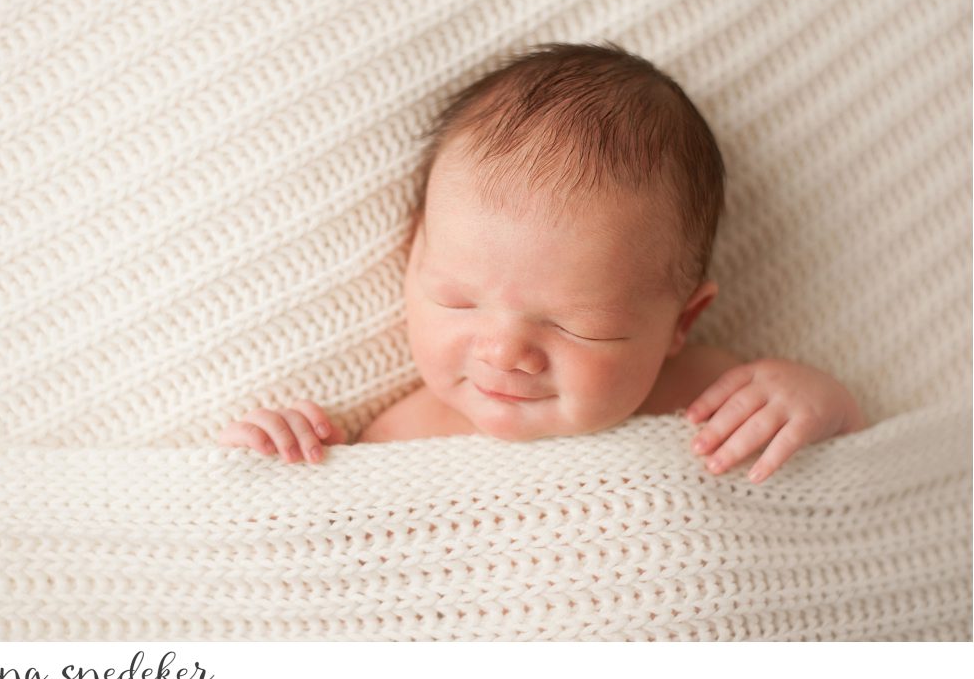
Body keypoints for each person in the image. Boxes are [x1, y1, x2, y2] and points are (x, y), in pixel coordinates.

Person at [218, 42, 865, 484]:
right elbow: (324, 548)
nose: (504, 352)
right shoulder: (404, 434)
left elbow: (853, 479)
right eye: (457, 298)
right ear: (413, 253)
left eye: (572, 323)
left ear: (681, 320)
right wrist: (279, 454)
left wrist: (823, 404)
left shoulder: (715, 396)